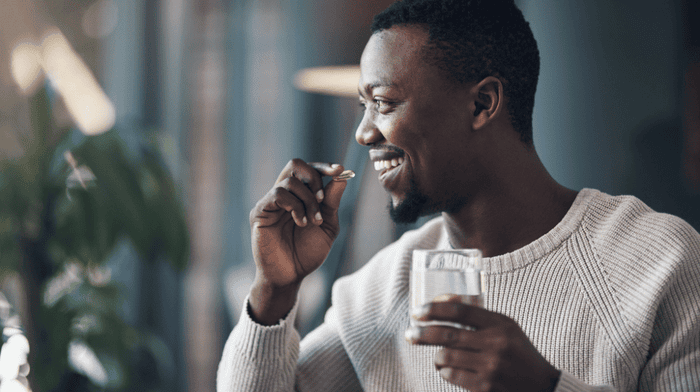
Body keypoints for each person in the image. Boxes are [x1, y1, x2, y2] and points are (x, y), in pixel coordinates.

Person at [217, 0, 700, 390]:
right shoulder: (379, 289)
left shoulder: (659, 262)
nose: (364, 134)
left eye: (383, 104)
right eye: (363, 107)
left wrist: (548, 389)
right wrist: (274, 292)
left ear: (482, 103)